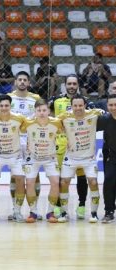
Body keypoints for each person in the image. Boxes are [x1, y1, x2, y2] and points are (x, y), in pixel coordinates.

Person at [49, 74, 91, 220]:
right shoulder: (55, 100)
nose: (72, 86)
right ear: (65, 85)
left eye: (74, 84)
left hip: (79, 143)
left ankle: (81, 205)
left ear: (78, 85)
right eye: (69, 84)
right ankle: (60, 206)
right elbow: (45, 116)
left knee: (81, 177)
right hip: (60, 144)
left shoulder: (84, 102)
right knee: (62, 178)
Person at [57, 95, 103, 223]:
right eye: (75, 106)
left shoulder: (94, 114)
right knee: (64, 183)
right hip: (70, 157)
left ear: (85, 105)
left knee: (93, 182)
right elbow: (51, 122)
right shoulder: (64, 117)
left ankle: (94, 213)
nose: (78, 108)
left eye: (80, 105)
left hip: (89, 158)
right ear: (71, 106)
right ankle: (64, 212)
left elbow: (106, 112)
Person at [0, 95, 25, 223]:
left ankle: (17, 211)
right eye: (1, 106)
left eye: (6, 105)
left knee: (19, 178)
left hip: (15, 155)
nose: (4, 108)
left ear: (10, 106)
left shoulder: (19, 118)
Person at [21, 99, 62, 223]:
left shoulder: (56, 123)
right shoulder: (28, 122)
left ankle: (50, 212)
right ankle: (33, 212)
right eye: (39, 110)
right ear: (35, 111)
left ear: (49, 111)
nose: (42, 113)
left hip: (50, 158)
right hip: (33, 158)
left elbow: (65, 131)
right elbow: (21, 130)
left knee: (55, 182)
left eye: (44, 110)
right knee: (29, 183)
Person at [8, 71, 41, 220]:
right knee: (15, 175)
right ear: (15, 82)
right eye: (19, 79)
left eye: (25, 80)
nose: (22, 82)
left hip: (32, 140)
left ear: (28, 83)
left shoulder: (36, 99)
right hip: (13, 140)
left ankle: (35, 210)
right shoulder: (8, 98)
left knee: (35, 175)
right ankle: (16, 210)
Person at [97, 94, 116, 223]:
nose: (114, 107)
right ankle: (109, 211)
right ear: (107, 106)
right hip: (111, 157)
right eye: (111, 105)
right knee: (109, 181)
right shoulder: (104, 119)